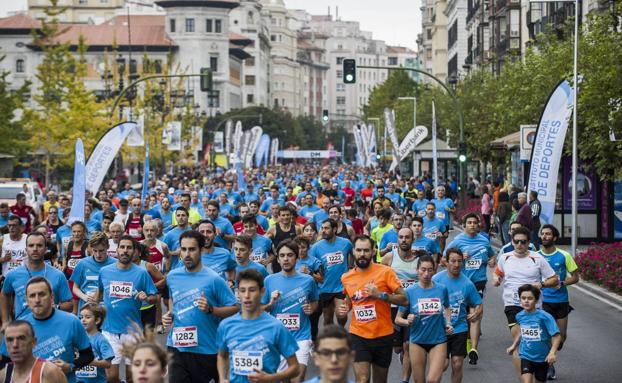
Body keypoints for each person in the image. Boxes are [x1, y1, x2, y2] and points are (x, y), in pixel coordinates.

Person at [163, 230, 239, 382]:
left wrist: (212, 309)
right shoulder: (172, 276)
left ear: (201, 250)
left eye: (192, 249)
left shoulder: (214, 279)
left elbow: (235, 308)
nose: (187, 254)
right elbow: (173, 299)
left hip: (206, 349)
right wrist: (169, 314)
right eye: (183, 249)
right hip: (177, 347)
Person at [336, 235, 406, 383]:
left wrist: (381, 295)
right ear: (353, 251)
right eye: (359, 250)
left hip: (383, 335)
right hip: (358, 335)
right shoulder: (346, 277)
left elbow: (404, 299)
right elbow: (349, 303)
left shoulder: (386, 272)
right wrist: (342, 310)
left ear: (373, 251)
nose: (362, 254)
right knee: (362, 379)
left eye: (366, 250)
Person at [0, 277, 94, 383]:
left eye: (42, 294)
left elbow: (88, 355)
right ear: (27, 300)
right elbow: (4, 362)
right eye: (32, 296)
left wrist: (70, 366)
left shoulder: (71, 321)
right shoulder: (19, 327)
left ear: (52, 297)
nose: (37, 300)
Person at [493, 227, 558, 378]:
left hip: (535, 308)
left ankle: (545, 362)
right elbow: (497, 273)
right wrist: (496, 279)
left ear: (529, 242)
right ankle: (524, 378)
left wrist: (541, 285)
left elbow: (554, 279)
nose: (520, 244)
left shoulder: (537, 258)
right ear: (512, 241)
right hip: (513, 305)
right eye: (517, 241)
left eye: (523, 242)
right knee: (519, 342)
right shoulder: (505, 258)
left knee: (535, 340)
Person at [216, 269, 300, 383]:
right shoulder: (226, 325)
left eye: (252, 290)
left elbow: (295, 368)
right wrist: (222, 378)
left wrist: (271, 378)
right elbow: (222, 356)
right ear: (237, 293)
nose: (247, 295)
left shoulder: (276, 327)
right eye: (242, 290)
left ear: (262, 292)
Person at [95, 235, 158, 383]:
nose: (125, 250)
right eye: (122, 247)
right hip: (109, 331)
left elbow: (154, 297)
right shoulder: (104, 271)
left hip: (132, 331)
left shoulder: (141, 273)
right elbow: (99, 293)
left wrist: (147, 298)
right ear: (116, 250)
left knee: (132, 377)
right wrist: (93, 302)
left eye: (129, 248)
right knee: (111, 377)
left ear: (135, 251)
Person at [262, 240, 319, 382]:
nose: (286, 259)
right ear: (278, 259)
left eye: (290, 255)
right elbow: (260, 309)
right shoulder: (269, 280)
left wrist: (311, 308)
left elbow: (315, 301)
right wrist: (270, 303)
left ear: (297, 257)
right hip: (278, 339)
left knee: (296, 380)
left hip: (301, 338)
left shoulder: (308, 280)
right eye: (282, 255)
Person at [443, 213, 495, 364]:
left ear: (478, 225)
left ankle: (473, 348)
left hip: (478, 282)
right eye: (469, 222)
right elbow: (444, 260)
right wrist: (459, 260)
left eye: (475, 222)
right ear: (464, 225)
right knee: (462, 313)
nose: (472, 225)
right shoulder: (457, 241)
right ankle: (465, 337)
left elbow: (492, 256)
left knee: (475, 313)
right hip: (462, 282)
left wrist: (491, 261)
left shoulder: (484, 241)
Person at [395, 255, 452, 383]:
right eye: (423, 269)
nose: (426, 274)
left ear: (434, 270)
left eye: (430, 270)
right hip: (417, 341)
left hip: (438, 340)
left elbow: (447, 308)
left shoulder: (442, 289)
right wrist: (407, 321)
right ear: (417, 270)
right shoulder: (409, 291)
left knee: (432, 380)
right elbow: (398, 319)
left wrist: (448, 322)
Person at [432, 249, 483, 383]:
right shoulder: (436, 280)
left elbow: (478, 303)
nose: (456, 264)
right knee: (442, 365)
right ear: (446, 262)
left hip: (459, 328)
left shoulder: (467, 284)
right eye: (453, 261)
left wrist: (476, 313)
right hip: (440, 329)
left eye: (459, 261)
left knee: (457, 363)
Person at [1, 232, 73, 324]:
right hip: (23, 330)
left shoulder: (58, 275)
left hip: (51, 327)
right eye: (31, 246)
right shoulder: (13, 274)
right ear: (26, 249)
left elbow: (70, 305)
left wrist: (55, 307)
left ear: (46, 249)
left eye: (39, 245)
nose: (35, 249)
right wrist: (5, 320)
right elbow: (4, 294)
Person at [538, 224, 579, 380]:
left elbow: (575, 277)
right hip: (543, 301)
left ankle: (553, 351)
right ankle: (549, 364)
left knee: (561, 338)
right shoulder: (536, 256)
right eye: (543, 234)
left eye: (548, 234)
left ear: (554, 237)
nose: (545, 236)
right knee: (548, 334)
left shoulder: (564, 256)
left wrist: (562, 283)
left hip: (561, 300)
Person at [380, 227, 419, 383]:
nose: (404, 240)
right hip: (394, 308)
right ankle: (400, 354)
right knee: (397, 348)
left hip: (412, 308)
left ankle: (404, 380)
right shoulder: (389, 258)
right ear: (397, 239)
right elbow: (380, 280)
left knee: (408, 345)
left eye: (407, 237)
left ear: (412, 240)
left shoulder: (420, 259)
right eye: (401, 237)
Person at [506, 284, 561, 383]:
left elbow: (556, 336)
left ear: (536, 300)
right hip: (526, 355)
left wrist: (552, 353)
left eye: (530, 298)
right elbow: (522, 332)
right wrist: (514, 345)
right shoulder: (519, 316)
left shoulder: (545, 316)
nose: (526, 301)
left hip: (542, 357)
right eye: (523, 298)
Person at [309, 219, 353, 328]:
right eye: (322, 228)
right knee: (327, 319)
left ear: (334, 229)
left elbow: (353, 253)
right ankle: (332, 339)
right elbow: (309, 265)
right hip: (324, 288)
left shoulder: (345, 243)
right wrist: (315, 275)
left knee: (341, 314)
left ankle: (341, 330)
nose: (323, 231)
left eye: (326, 228)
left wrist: (351, 267)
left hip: (341, 287)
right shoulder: (316, 247)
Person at [0, 320, 67, 383]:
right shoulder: (3, 375)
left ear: (33, 342)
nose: (15, 345)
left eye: (21, 338)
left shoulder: (49, 372)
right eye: (10, 340)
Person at [70, 232, 116, 312]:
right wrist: (84, 297)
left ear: (108, 247)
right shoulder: (82, 263)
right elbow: (75, 288)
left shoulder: (116, 264)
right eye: (95, 250)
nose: (98, 254)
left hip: (107, 308)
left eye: (101, 250)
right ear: (91, 248)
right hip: (87, 307)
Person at [77, 303, 114, 383]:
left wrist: (90, 361)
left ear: (97, 320)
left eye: (87, 317)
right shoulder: (77, 338)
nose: (83, 320)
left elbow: (108, 363)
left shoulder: (101, 340)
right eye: (81, 317)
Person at [196, 220, 236, 284]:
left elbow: (231, 268)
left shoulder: (225, 254)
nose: (205, 235)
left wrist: (231, 281)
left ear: (215, 235)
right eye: (202, 232)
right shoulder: (192, 257)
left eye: (209, 232)